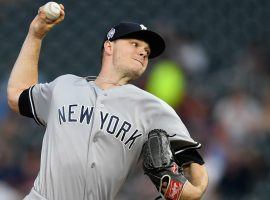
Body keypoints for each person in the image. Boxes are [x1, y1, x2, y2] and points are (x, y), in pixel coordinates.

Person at [7, 3, 208, 200]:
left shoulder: (153, 108)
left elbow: (195, 171)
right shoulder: (64, 86)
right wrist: (35, 35)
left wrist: (187, 192)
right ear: (109, 46)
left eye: (147, 50)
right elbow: (17, 94)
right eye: (135, 44)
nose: (143, 52)